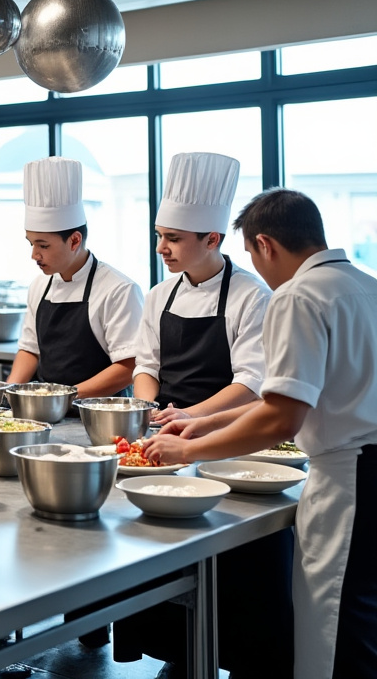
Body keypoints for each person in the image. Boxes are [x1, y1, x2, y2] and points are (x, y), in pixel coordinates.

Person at [145, 188, 377, 679]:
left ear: (266, 244)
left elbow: (279, 417)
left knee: (334, 630)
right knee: (363, 621)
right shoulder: (364, 284)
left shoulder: (298, 294)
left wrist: (188, 447)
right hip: (368, 466)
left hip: (350, 479)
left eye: (251, 251)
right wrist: (205, 421)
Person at [114, 153, 290, 679]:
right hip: (165, 437)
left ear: (212, 239)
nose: (161, 248)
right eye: (158, 235)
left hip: (226, 439)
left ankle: (227, 655)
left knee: (227, 557)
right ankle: (176, 652)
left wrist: (190, 416)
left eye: (173, 238)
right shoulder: (158, 294)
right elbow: (146, 365)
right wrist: (148, 408)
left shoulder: (250, 295)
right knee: (158, 545)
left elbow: (251, 382)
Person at [6, 157, 144, 398]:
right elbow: (30, 350)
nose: (34, 255)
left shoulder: (119, 289)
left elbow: (128, 366)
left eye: (43, 245)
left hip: (102, 414)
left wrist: (62, 397)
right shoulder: (40, 286)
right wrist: (7, 393)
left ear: (74, 240)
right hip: (47, 410)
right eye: (31, 243)